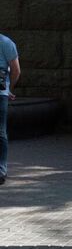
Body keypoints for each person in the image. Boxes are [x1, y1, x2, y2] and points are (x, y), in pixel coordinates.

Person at [0, 34, 20, 186]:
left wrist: (8, 89)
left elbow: (16, 70)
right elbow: (16, 71)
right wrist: (9, 88)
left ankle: (1, 170)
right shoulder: (7, 42)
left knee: (0, 132)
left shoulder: (6, 43)